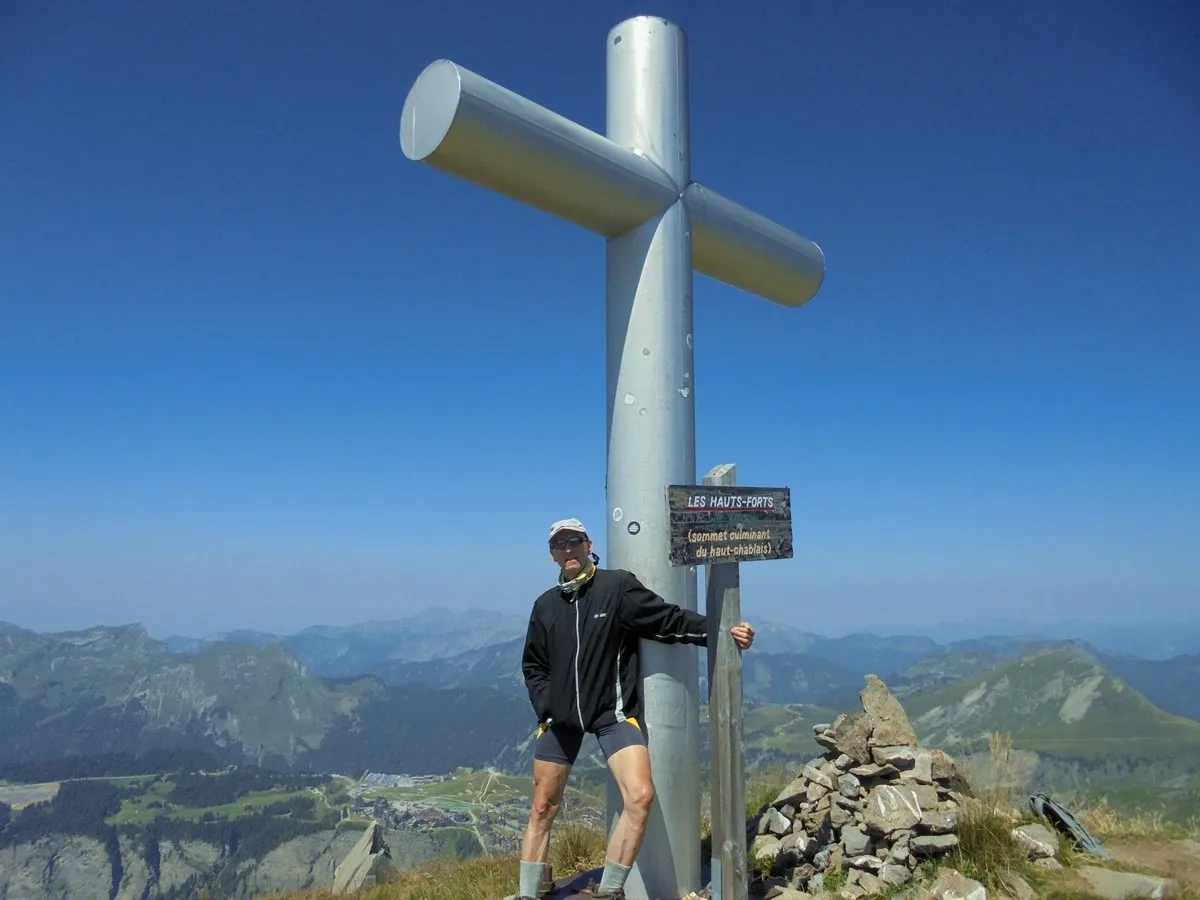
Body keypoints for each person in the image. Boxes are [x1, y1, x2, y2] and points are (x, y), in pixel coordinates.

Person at [512, 518, 756, 900]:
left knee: (640, 796)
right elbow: (534, 665)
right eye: (559, 545)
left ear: (588, 544)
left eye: (574, 541)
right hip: (560, 721)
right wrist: (546, 707)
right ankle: (528, 894)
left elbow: (666, 619)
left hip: (613, 714)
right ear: (552, 555)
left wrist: (721, 631)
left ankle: (609, 891)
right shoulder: (545, 606)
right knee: (543, 807)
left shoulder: (616, 587)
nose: (568, 549)